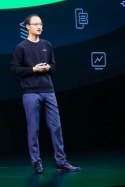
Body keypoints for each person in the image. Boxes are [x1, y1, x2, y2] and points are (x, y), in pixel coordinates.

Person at [10, 13, 81, 174]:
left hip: (48, 90)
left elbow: (54, 66)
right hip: (30, 92)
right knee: (33, 128)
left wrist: (48, 67)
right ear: (27, 27)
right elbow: (14, 69)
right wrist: (33, 69)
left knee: (56, 126)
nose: (39, 27)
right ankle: (36, 162)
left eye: (40, 24)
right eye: (35, 24)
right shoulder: (21, 47)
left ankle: (61, 161)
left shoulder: (47, 45)